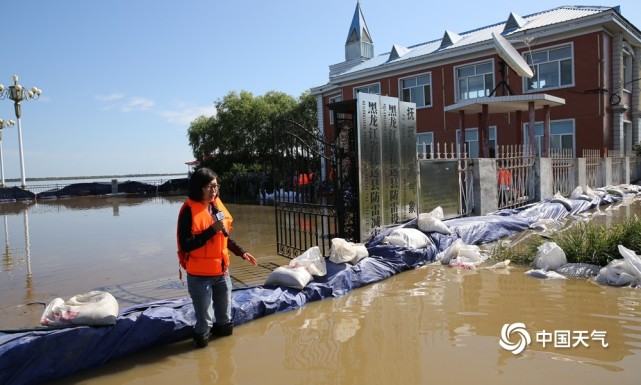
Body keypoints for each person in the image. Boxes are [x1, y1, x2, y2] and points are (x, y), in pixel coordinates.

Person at [176, 167, 257, 348]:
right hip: (199, 277)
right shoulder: (189, 211)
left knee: (225, 319)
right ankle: (203, 362)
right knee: (204, 322)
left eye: (216, 186)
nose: (214, 191)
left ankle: (224, 358)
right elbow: (186, 244)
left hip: (221, 273)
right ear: (199, 188)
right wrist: (210, 231)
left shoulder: (215, 207)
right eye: (209, 187)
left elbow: (224, 237)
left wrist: (241, 252)